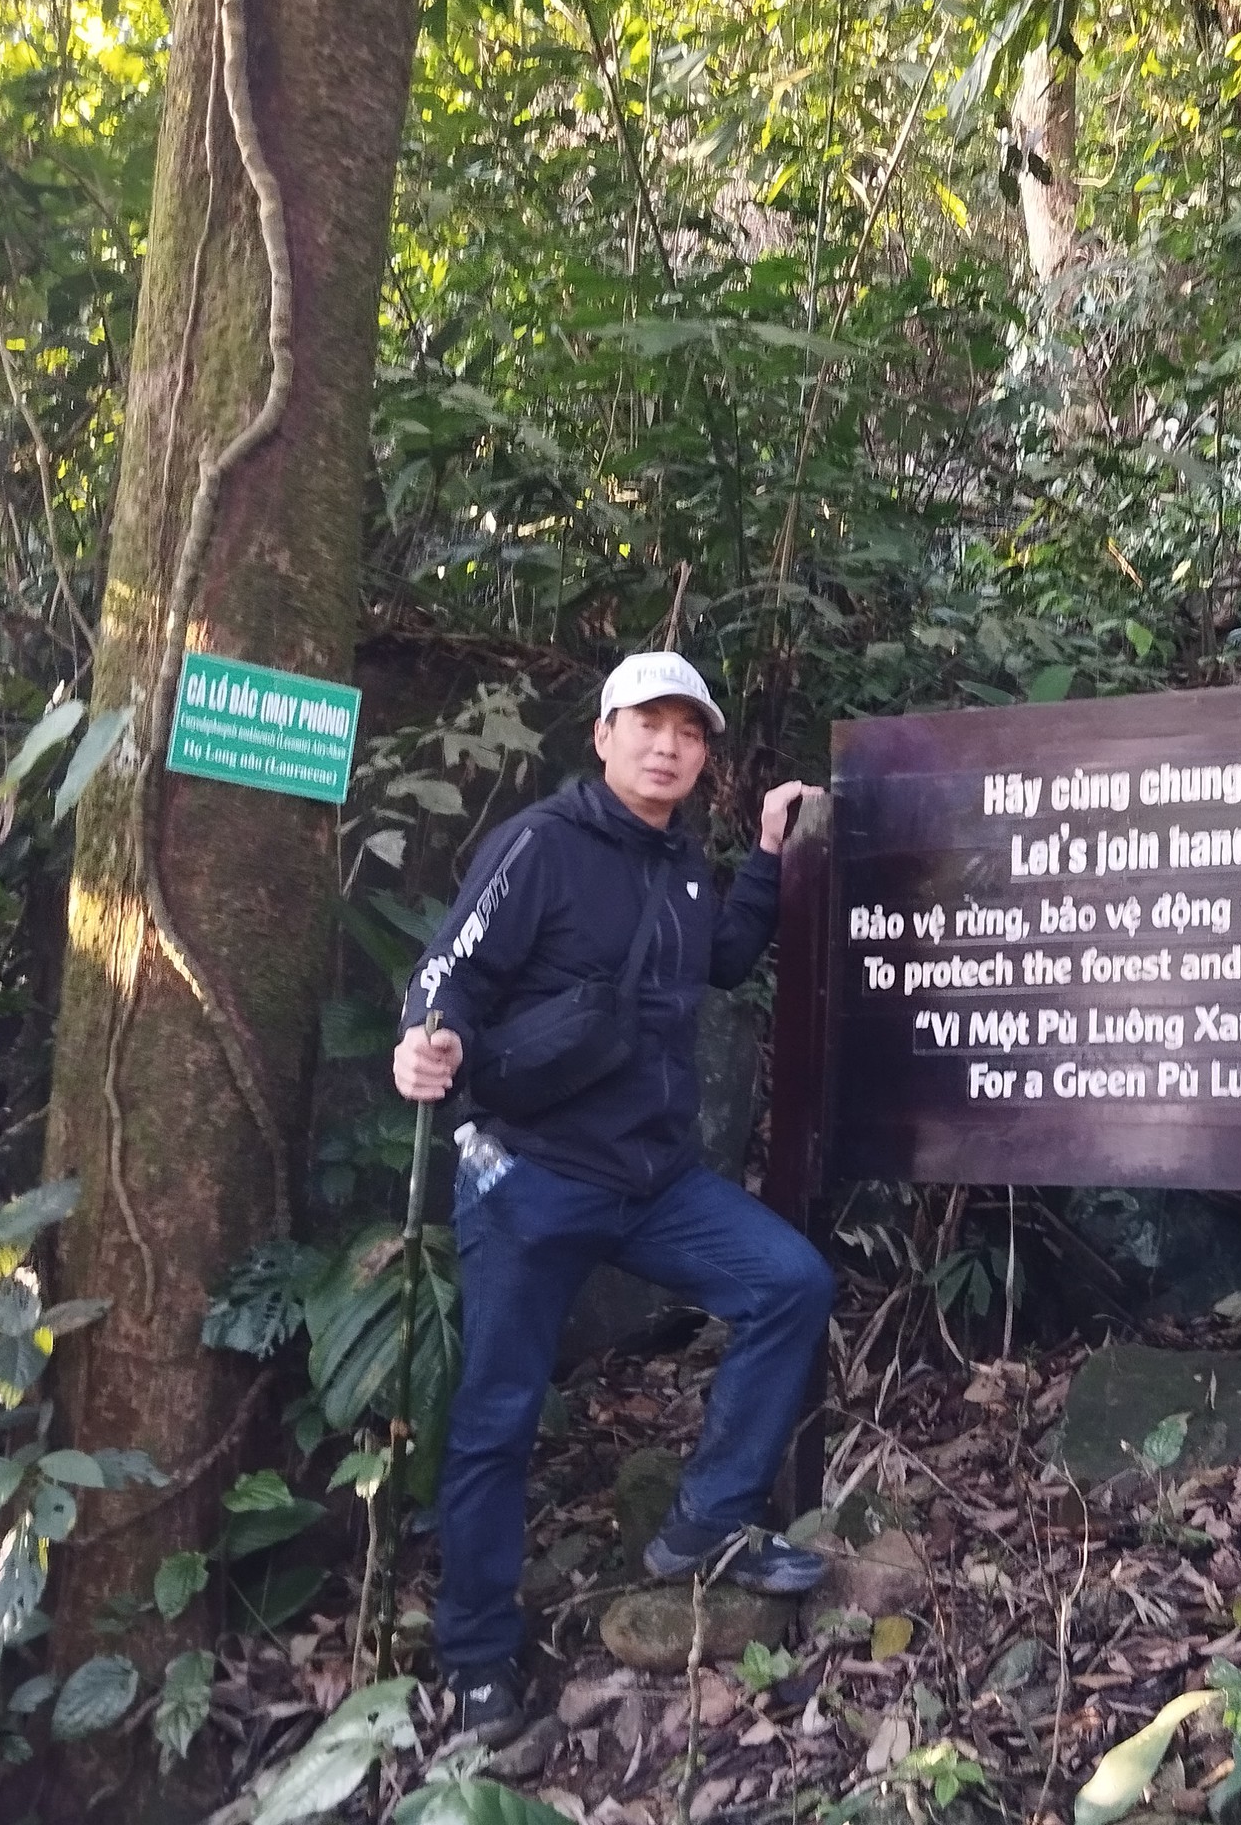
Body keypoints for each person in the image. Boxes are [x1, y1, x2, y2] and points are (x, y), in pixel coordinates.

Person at [391, 650, 835, 1745]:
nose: (668, 745)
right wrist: (425, 1035)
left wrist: (769, 852)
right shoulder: (541, 843)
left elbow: (721, 961)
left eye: (689, 730)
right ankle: (480, 1654)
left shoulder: (685, 863)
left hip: (652, 1178)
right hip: (533, 1176)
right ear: (603, 733)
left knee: (789, 1281)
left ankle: (709, 1520)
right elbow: (454, 965)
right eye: (649, 723)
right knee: (496, 1417)